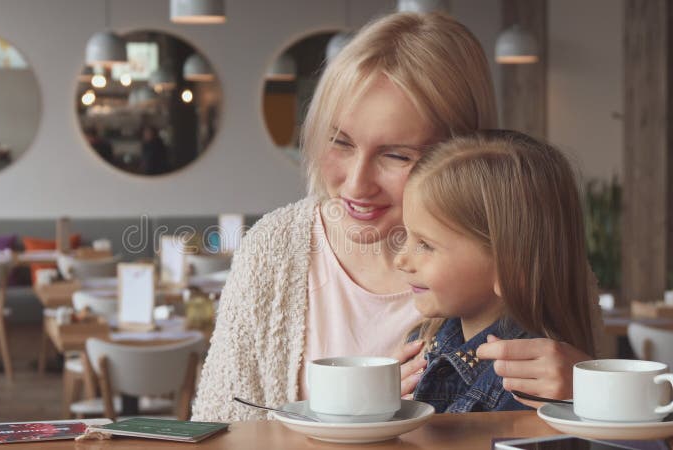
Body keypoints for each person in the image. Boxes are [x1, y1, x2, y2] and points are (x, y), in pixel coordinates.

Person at [191, 12, 602, 422]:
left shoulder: (530, 259)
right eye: (340, 142)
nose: (355, 184)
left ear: (461, 154)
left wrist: (594, 390)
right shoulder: (274, 249)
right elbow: (216, 428)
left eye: (396, 155)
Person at [395, 130, 596, 413]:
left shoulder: (533, 384)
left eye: (425, 245)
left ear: (510, 268)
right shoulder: (421, 342)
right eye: (406, 236)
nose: (400, 259)